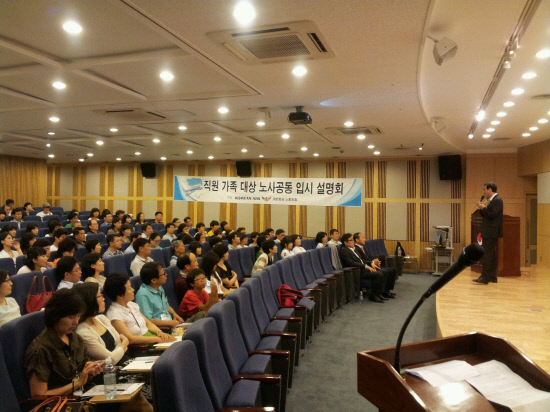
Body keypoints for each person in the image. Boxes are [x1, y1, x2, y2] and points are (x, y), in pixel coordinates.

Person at [24, 289, 104, 396]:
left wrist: (90, 372)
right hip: (63, 402)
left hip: (84, 393)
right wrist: (78, 383)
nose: (76, 322)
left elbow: (81, 375)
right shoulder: (40, 349)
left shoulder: (75, 338)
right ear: (55, 316)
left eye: (78, 316)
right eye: (71, 317)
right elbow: (39, 395)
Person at [105, 273, 175, 345]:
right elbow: (130, 339)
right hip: (142, 345)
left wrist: (159, 332)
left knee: (178, 340)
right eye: (129, 288)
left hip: (151, 337)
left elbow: (147, 323)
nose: (133, 290)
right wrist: (158, 339)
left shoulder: (131, 305)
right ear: (120, 295)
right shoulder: (114, 315)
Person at [74, 283, 130, 366]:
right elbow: (110, 360)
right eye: (100, 295)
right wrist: (125, 342)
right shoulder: (83, 332)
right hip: (110, 370)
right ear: (90, 300)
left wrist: (121, 347)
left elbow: (120, 344)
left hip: (125, 361)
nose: (104, 299)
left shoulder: (102, 319)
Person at [340, 233, 386, 303]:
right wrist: (365, 266)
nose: (353, 242)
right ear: (345, 242)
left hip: (363, 269)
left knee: (383, 272)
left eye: (353, 240)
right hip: (358, 271)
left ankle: (379, 293)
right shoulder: (344, 250)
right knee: (379, 274)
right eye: (351, 240)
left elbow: (362, 260)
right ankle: (373, 295)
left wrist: (371, 263)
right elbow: (351, 263)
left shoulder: (354, 249)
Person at [135, 262, 184, 327]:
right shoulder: (143, 295)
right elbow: (148, 320)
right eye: (163, 274)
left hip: (169, 324)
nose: (166, 275)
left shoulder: (159, 287)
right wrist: (170, 323)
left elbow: (166, 306)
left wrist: (175, 315)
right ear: (153, 280)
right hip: (159, 329)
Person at [474, 182, 504, 284]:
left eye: (485, 189)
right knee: (491, 255)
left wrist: (484, 208)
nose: (484, 192)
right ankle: (492, 276)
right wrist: (481, 209)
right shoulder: (492, 200)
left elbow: (492, 215)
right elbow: (488, 215)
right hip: (489, 231)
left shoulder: (497, 200)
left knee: (487, 254)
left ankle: (485, 277)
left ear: (490, 189)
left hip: (492, 232)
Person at [353, 232, 396, 299]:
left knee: (392, 270)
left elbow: (368, 257)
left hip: (370, 265)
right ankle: (376, 294)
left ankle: (386, 291)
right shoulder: (355, 249)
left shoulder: (362, 247)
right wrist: (372, 262)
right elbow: (361, 260)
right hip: (364, 269)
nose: (364, 239)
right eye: (362, 238)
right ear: (357, 240)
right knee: (383, 272)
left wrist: (375, 260)